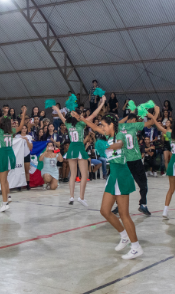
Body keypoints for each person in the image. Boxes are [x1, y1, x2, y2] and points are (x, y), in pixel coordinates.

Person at [76, 112, 143, 259]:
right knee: (105, 211)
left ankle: (136, 247)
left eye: (105, 126)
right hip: (113, 175)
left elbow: (120, 144)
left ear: (112, 125)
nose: (103, 128)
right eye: (102, 126)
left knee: (124, 214)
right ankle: (124, 236)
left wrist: (107, 147)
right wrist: (82, 119)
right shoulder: (108, 135)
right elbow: (93, 126)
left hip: (122, 174)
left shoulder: (119, 135)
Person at [53, 98, 104, 207]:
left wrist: (57, 110)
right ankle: (81, 197)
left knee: (73, 174)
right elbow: (94, 114)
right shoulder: (81, 123)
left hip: (72, 148)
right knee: (84, 174)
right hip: (80, 147)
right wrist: (102, 103)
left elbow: (61, 116)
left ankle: (71, 196)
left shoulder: (67, 124)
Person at [112, 103, 159, 215]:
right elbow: (152, 122)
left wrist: (129, 115)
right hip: (136, 159)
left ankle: (119, 206)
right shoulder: (135, 125)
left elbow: (117, 123)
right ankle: (143, 204)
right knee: (143, 183)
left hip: (125, 161)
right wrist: (156, 112)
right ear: (134, 120)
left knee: (122, 183)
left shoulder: (120, 127)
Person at [15, 124, 33, 190]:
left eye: (25, 128)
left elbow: (31, 147)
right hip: (19, 155)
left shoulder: (29, 136)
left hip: (26, 154)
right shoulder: (17, 136)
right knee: (19, 169)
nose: (24, 129)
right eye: (22, 128)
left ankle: (27, 184)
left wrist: (27, 140)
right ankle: (19, 185)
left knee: (26, 170)